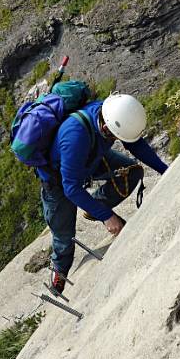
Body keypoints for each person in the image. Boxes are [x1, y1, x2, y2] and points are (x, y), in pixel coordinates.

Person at [38, 93, 167, 294]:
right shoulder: (75, 136)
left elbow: (136, 145)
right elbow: (70, 188)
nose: (118, 139)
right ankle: (60, 270)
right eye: (116, 136)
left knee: (131, 172)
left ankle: (96, 206)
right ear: (106, 128)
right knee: (64, 235)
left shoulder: (111, 114)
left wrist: (165, 171)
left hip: (91, 155)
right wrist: (108, 217)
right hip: (57, 180)